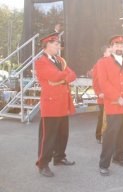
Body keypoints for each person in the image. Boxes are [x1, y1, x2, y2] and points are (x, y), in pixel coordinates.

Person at [35, 32, 76, 177]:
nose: (58, 45)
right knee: (48, 136)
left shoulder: (60, 60)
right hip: (51, 105)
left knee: (63, 134)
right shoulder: (41, 61)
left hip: (63, 103)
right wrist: (64, 76)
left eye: (58, 43)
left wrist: (62, 80)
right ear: (46, 45)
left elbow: (73, 75)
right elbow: (54, 76)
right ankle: (43, 164)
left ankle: (59, 157)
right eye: (55, 43)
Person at [97, 35, 123, 176]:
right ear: (111, 47)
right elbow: (104, 83)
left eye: (121, 45)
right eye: (116, 45)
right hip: (114, 105)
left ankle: (118, 157)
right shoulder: (103, 63)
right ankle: (104, 164)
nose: (119, 47)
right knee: (110, 135)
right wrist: (117, 97)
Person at [92, 45, 112, 144]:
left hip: (112, 97)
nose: (111, 53)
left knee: (111, 118)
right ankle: (99, 136)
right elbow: (95, 81)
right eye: (109, 51)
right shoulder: (99, 64)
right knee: (102, 117)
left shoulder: (114, 63)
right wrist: (99, 92)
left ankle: (109, 136)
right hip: (103, 97)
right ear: (104, 53)